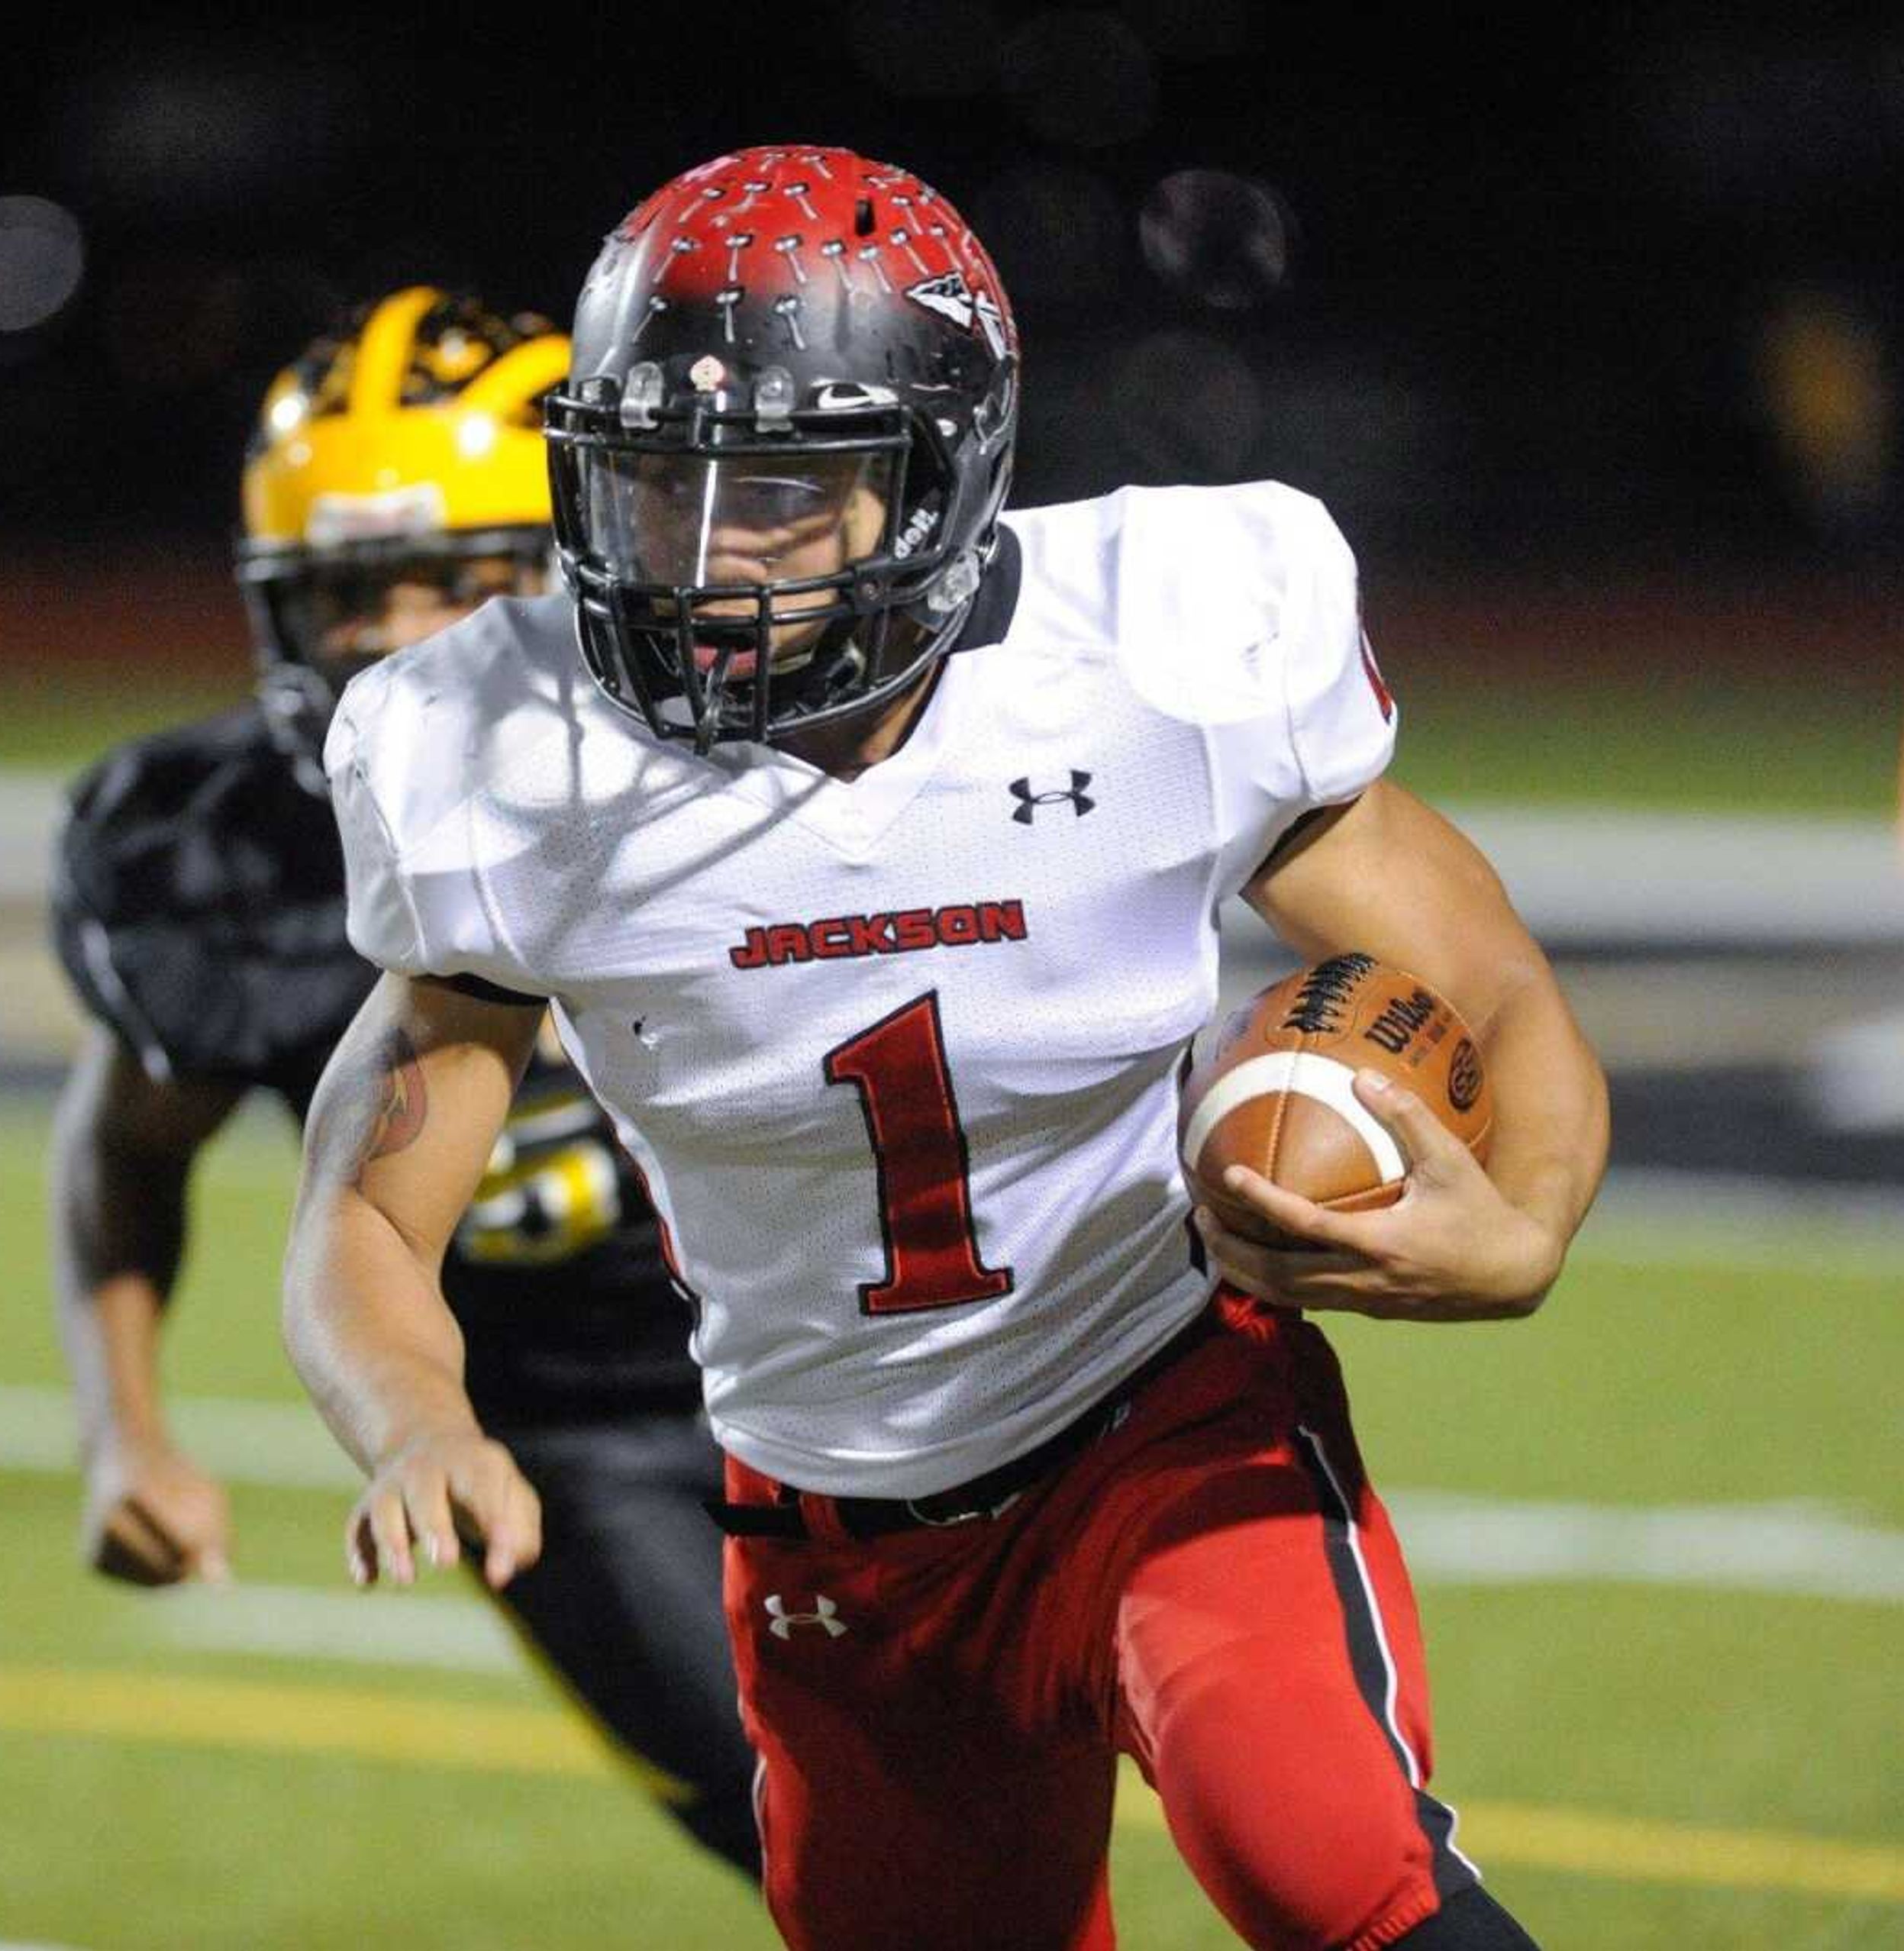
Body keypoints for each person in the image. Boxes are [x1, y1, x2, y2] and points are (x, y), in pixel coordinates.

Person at [282, 148, 1608, 1951]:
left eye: (785, 490)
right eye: (661, 482)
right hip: (826, 1528)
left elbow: (1494, 983)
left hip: (1163, 1419)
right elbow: (365, 1215)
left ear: (943, 476)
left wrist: (1520, 1227)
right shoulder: (507, 757)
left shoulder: (1151, 656)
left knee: (1328, 1866)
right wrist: (414, 1418)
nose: (702, 553)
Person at [47, 286, 760, 1878]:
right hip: (558, 1432)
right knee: (798, 1830)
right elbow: (126, 1149)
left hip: (842, 1368)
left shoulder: (757, 768)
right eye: (346, 591)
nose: (387, 635)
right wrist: (128, 1432)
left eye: (454, 579)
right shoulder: (213, 854)